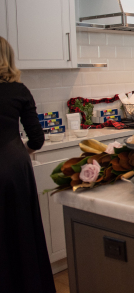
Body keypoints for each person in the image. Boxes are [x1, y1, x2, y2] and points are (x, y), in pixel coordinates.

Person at [0, 37, 55, 293]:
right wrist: (20, 153)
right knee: (21, 229)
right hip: (12, 166)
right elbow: (36, 138)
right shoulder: (18, 91)